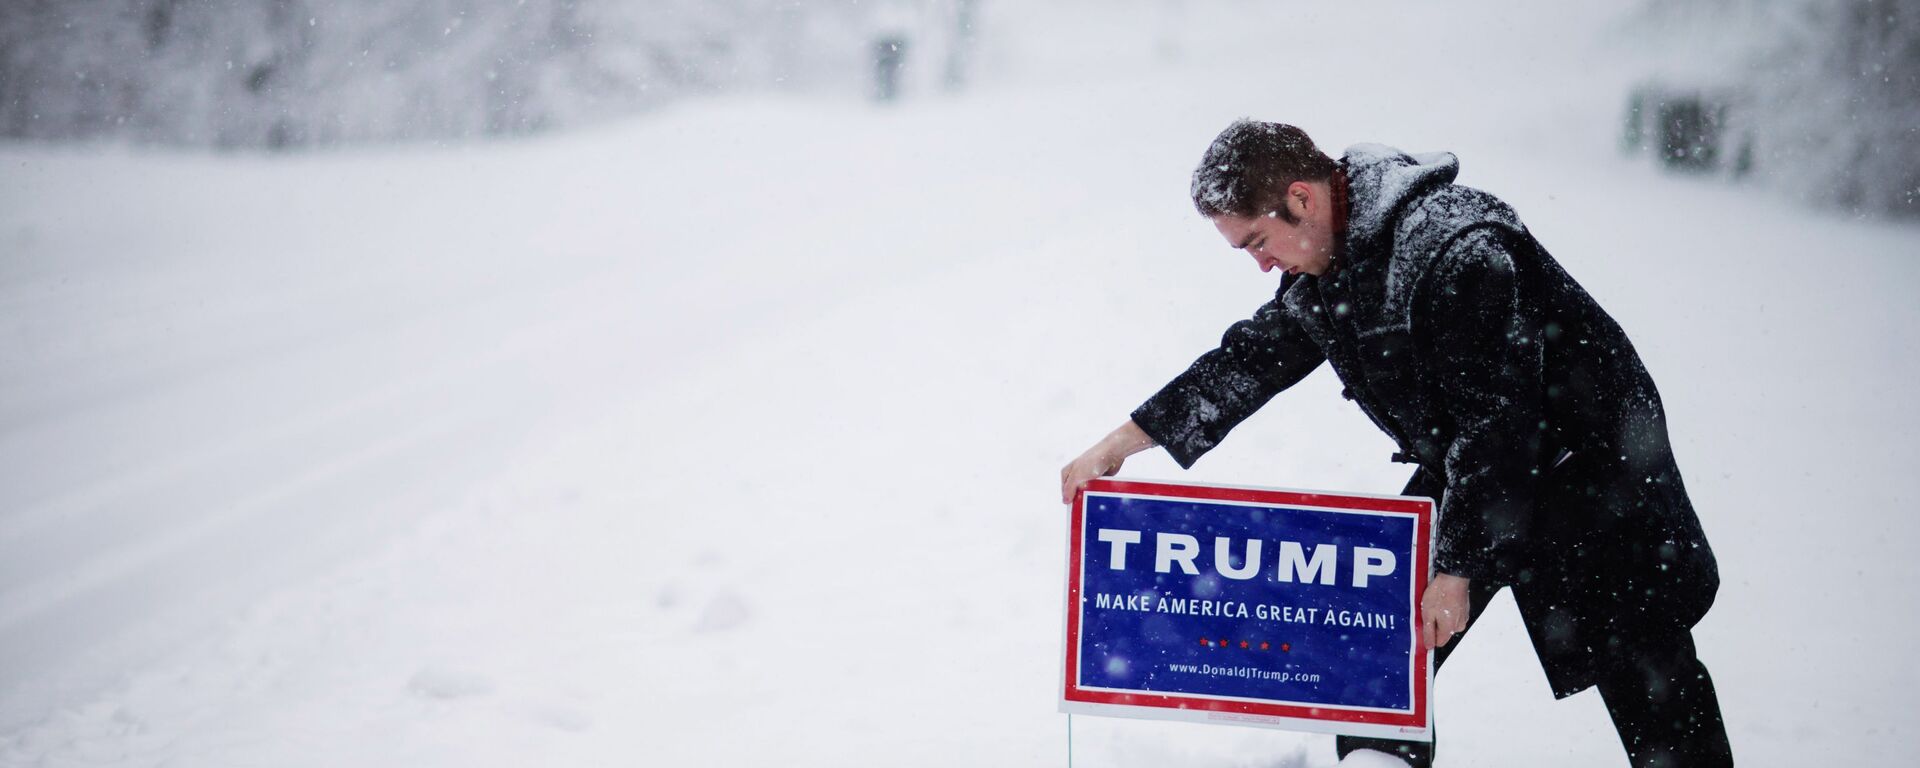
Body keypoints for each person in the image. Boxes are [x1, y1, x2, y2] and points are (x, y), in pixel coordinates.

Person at [1058, 121, 1732, 767]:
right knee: (1377, 658)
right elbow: (1254, 357)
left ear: (1302, 197)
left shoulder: (1456, 248)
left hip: (1591, 475)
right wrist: (1126, 441)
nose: (1262, 265)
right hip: (1474, 468)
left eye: (1258, 241)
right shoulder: (1332, 264)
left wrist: (1457, 570)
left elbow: (1500, 424)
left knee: (1651, 683)